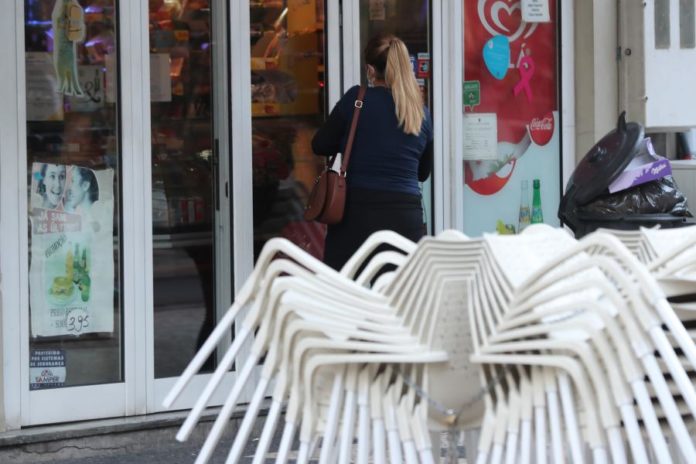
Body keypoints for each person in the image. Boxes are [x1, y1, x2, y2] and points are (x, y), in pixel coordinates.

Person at [311, 34, 433, 270]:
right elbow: (422, 173)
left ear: (370, 69)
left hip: (356, 212)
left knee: (339, 285)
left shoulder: (356, 100)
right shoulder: (421, 113)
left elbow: (320, 145)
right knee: (398, 289)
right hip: (405, 217)